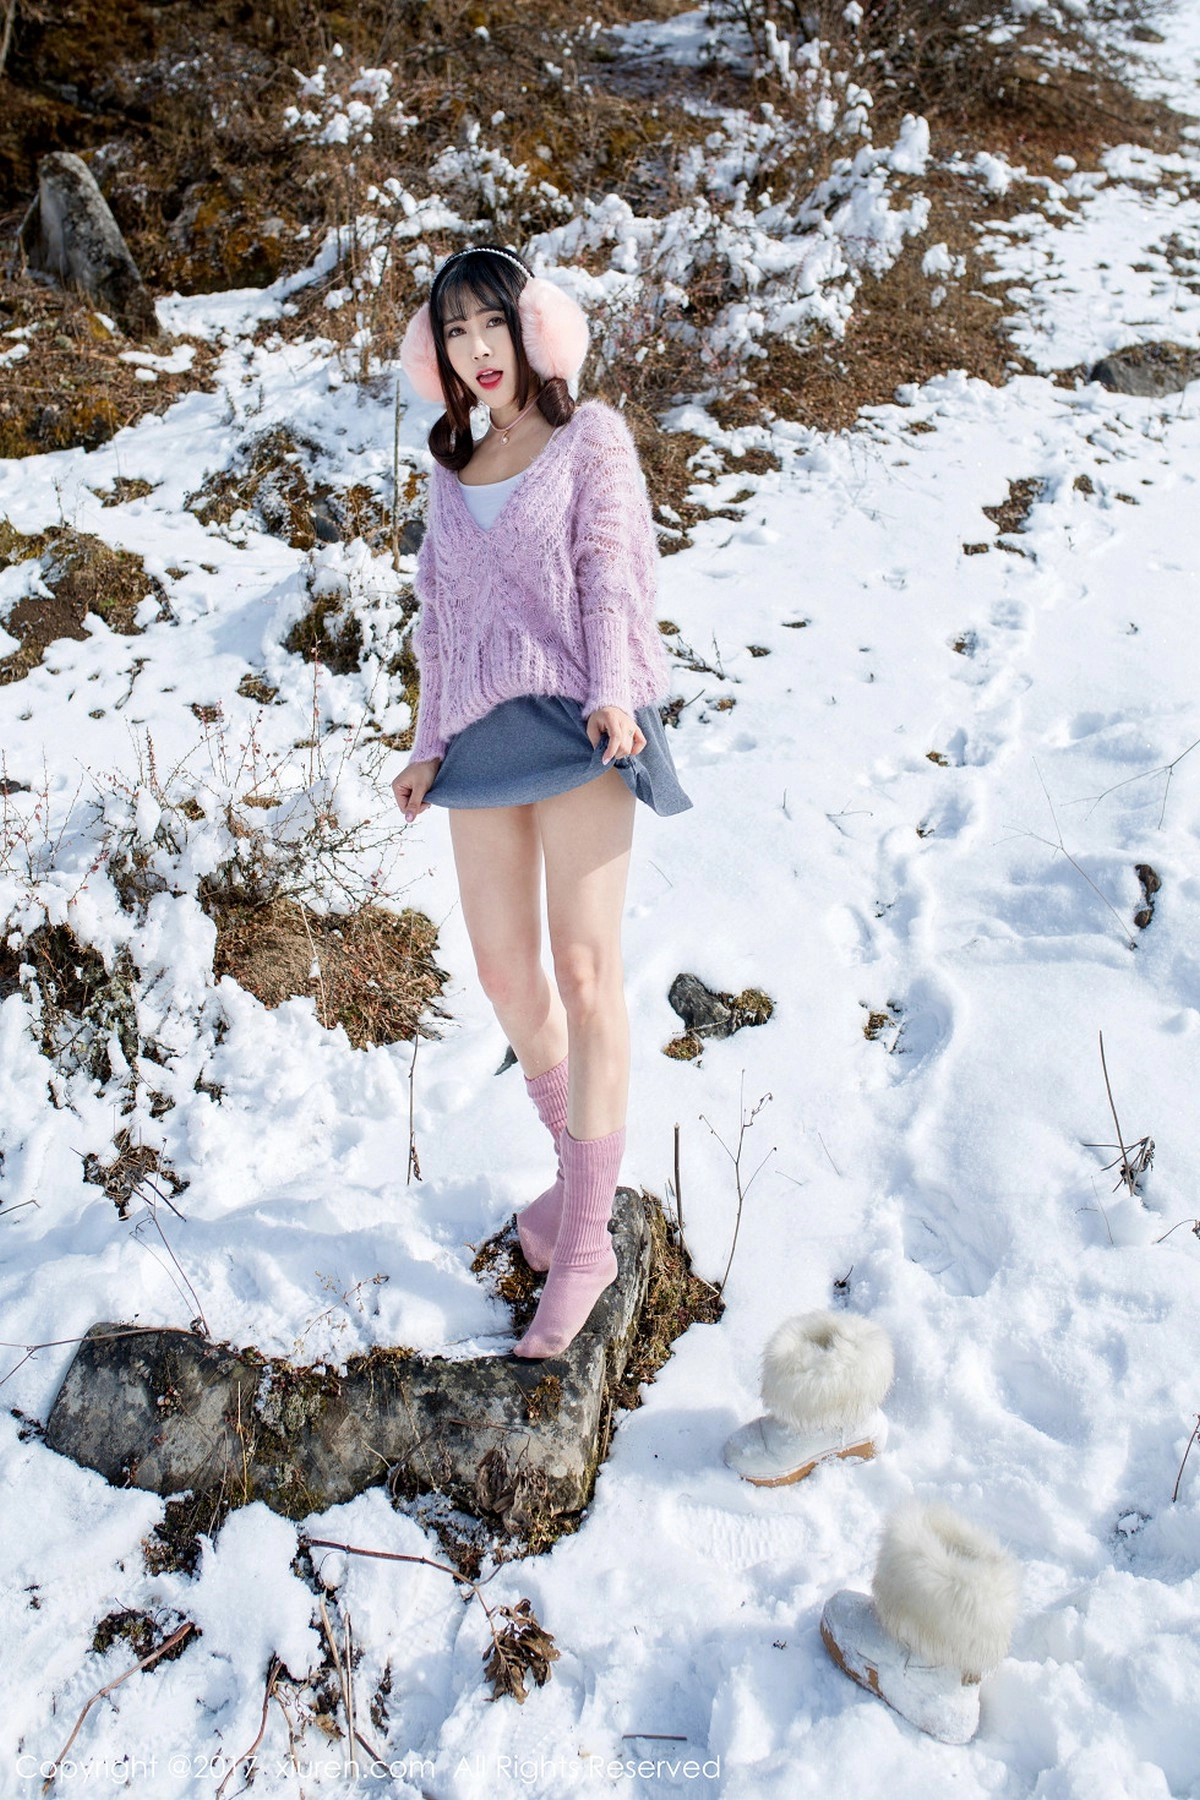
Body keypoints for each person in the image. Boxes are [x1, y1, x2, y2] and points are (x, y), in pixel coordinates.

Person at [391, 243, 691, 1360]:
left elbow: (614, 571)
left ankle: (589, 1241)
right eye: (455, 330)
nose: (478, 349)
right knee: (510, 982)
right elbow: (439, 622)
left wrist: (614, 691)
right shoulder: (453, 468)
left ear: (532, 330)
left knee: (584, 972)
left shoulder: (590, 437)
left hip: (581, 723)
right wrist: (426, 745)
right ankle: (578, 1172)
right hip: (480, 743)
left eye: (493, 323)